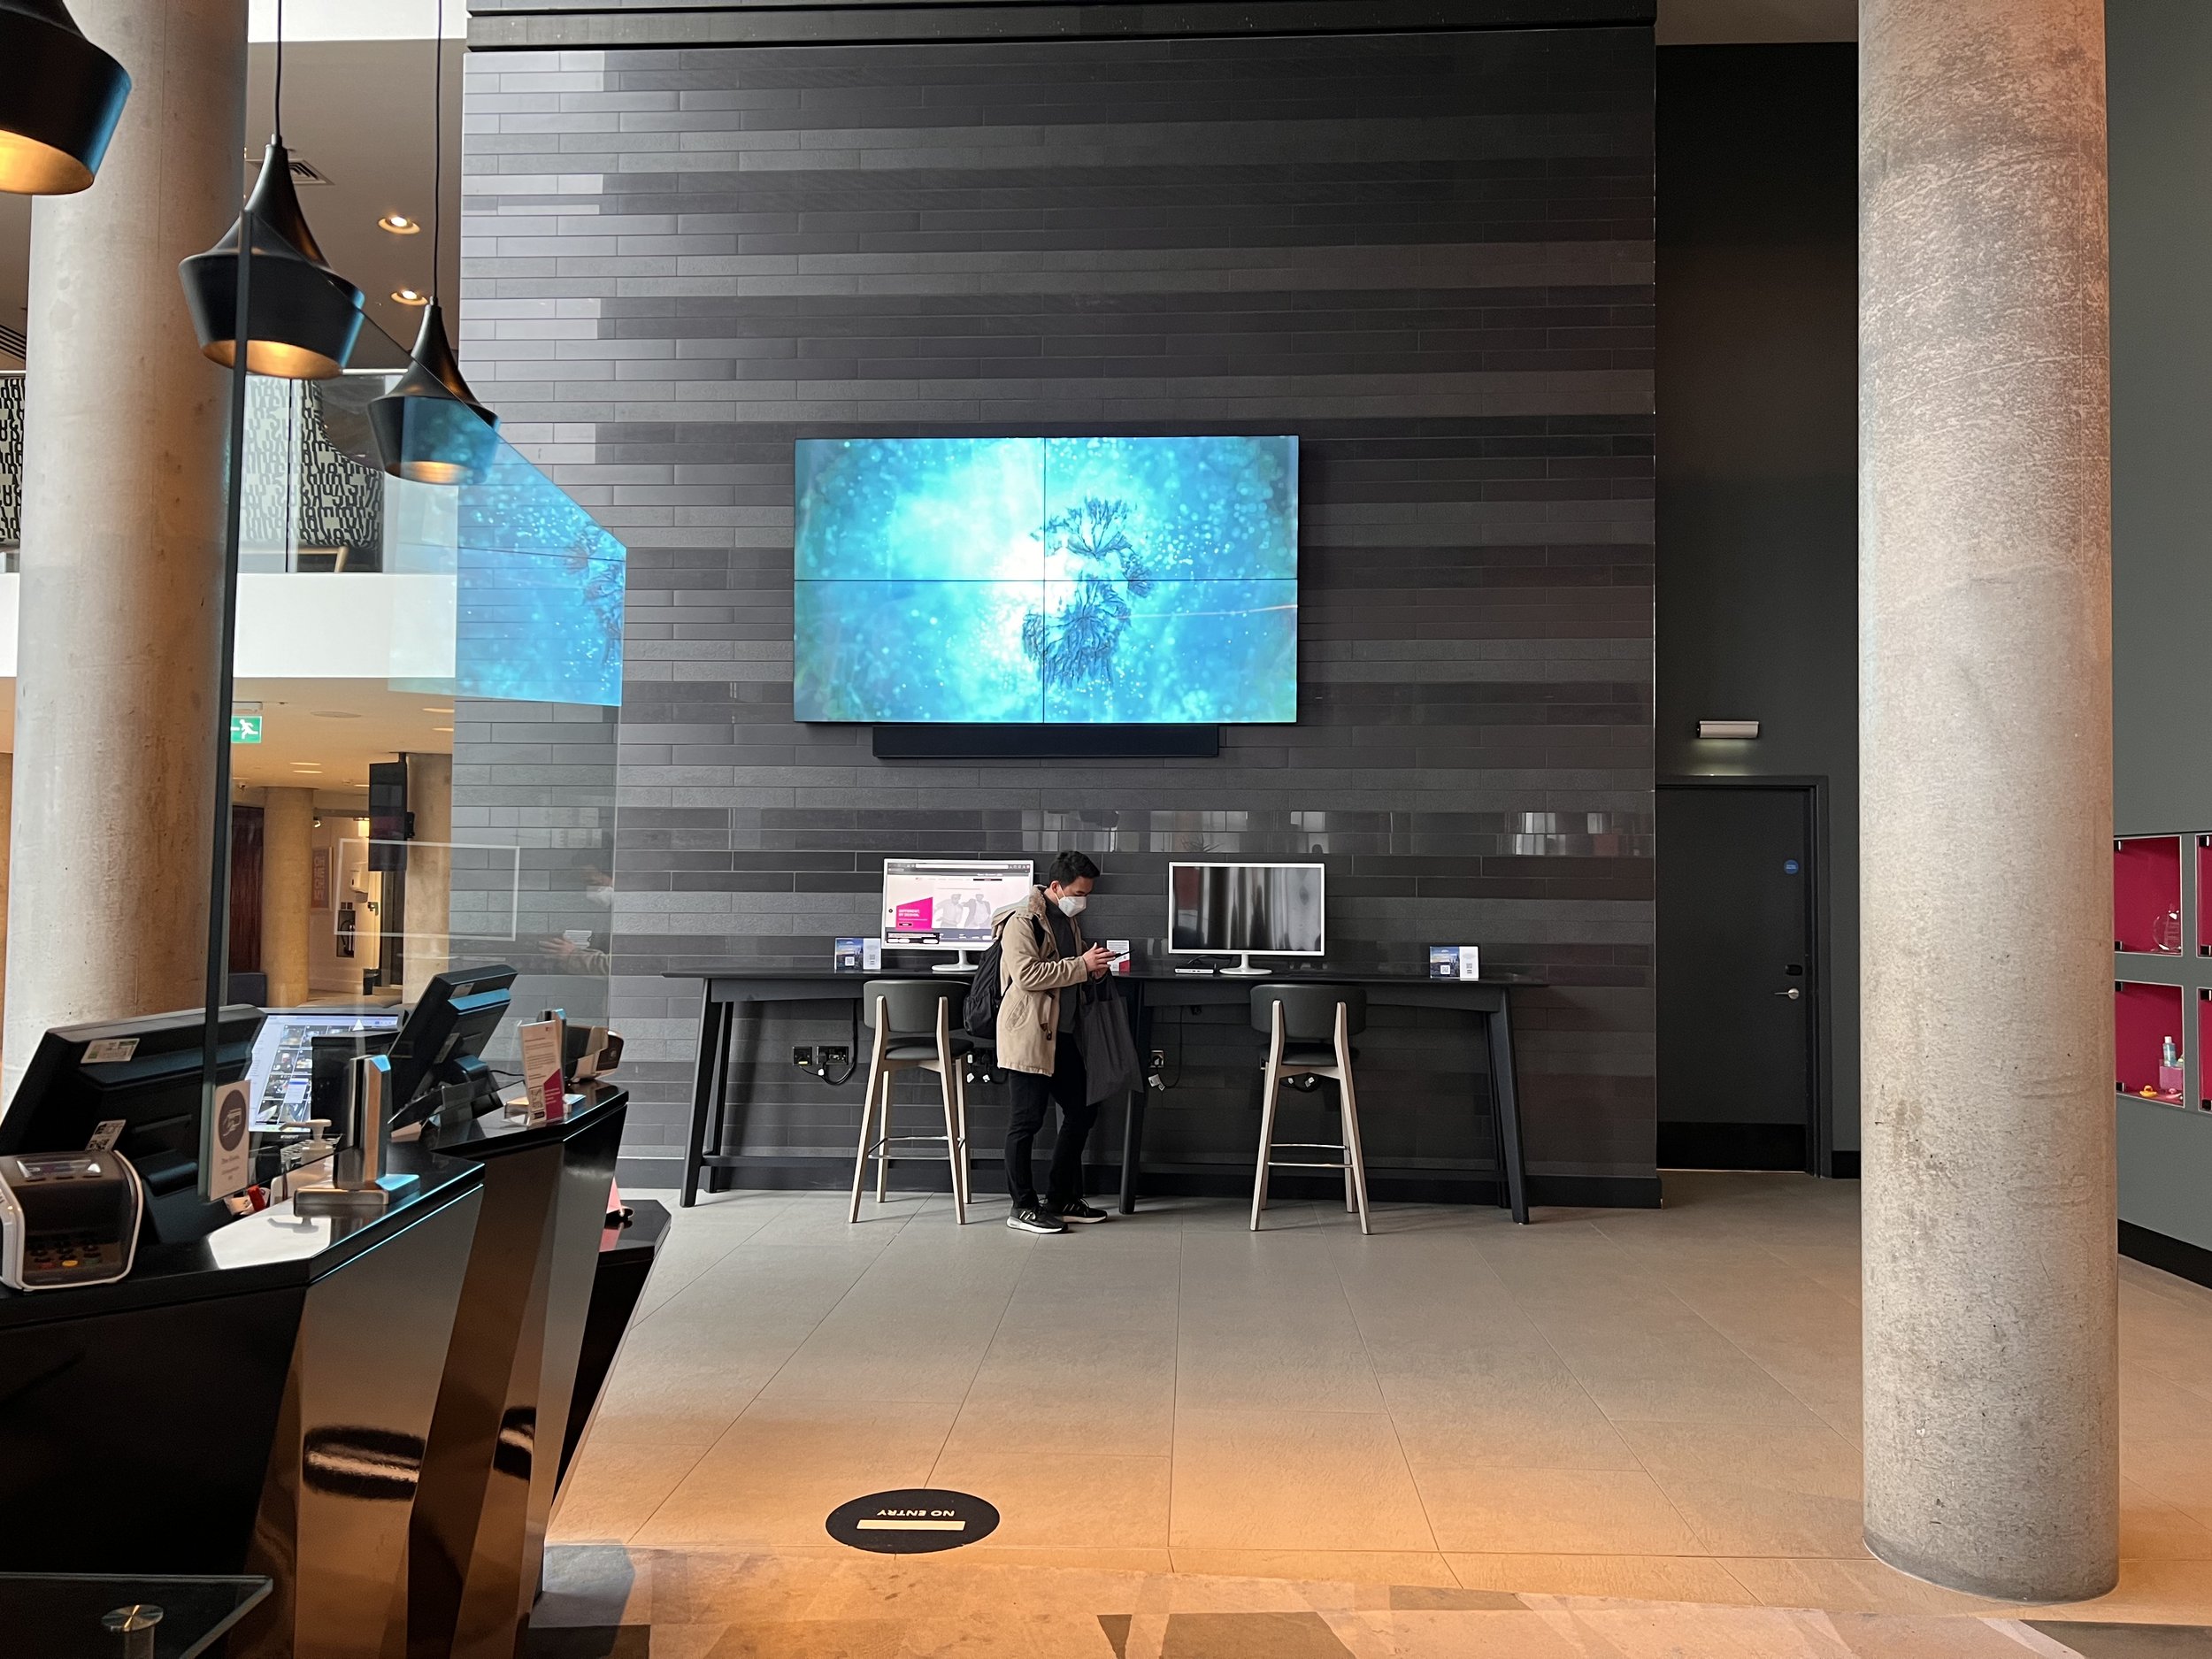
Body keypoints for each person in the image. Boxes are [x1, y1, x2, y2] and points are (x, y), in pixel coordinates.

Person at [993, 850, 1113, 1234]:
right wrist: (1081, 966)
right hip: (1028, 1033)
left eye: (1088, 894)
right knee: (1026, 1121)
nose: (1083, 901)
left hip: (1061, 1034)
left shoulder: (1067, 918)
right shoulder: (1022, 920)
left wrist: (1092, 970)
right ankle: (1022, 1207)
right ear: (1057, 887)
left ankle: (1060, 1198)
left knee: (1083, 1109)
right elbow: (1026, 975)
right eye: (1079, 893)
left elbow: (1068, 971)